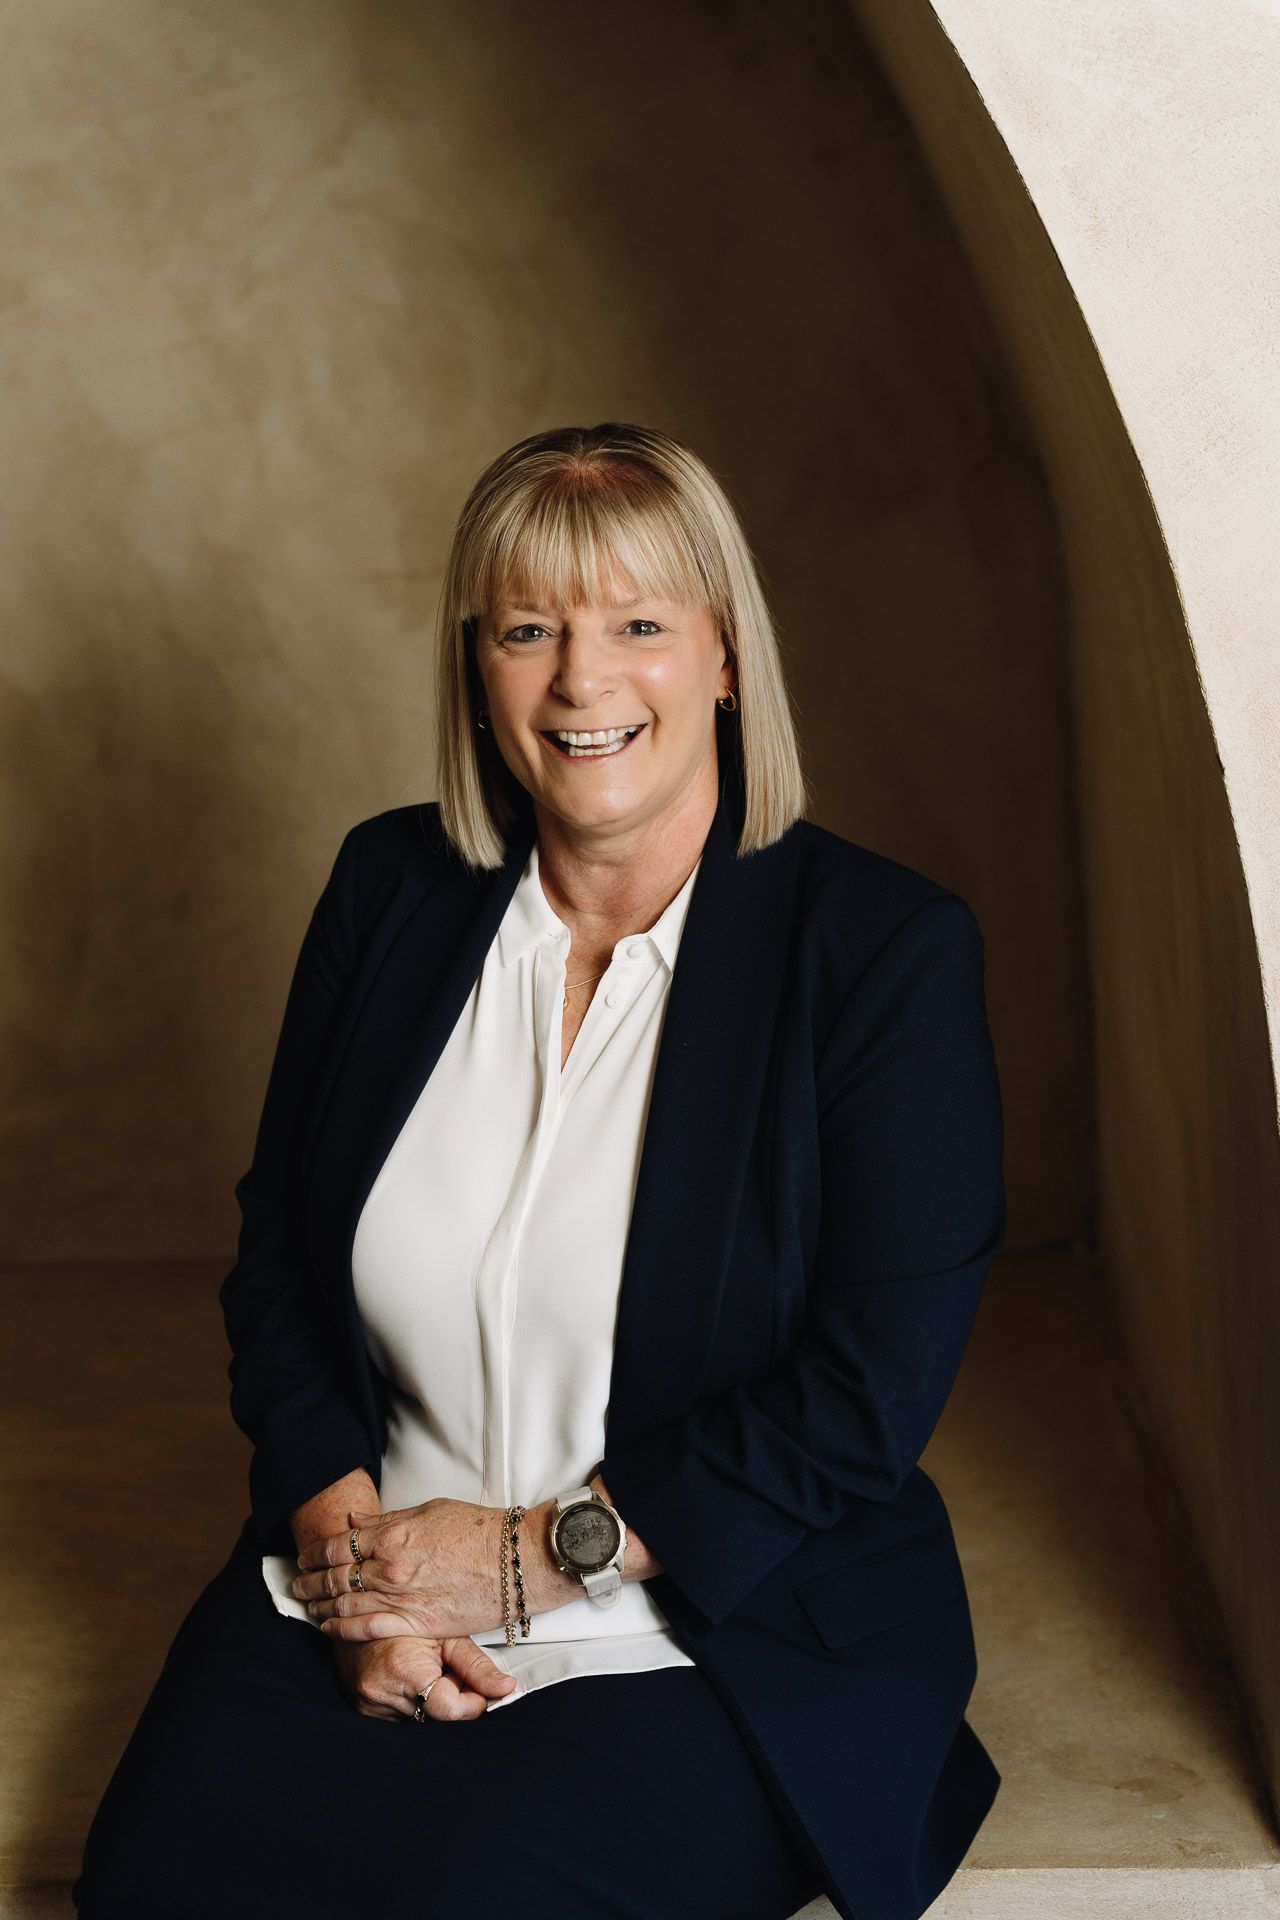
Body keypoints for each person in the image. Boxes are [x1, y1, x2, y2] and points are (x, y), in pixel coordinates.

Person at [72, 422, 1007, 1920]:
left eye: (639, 625)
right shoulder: (389, 892)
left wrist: (519, 1563)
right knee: (155, 1882)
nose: (582, 681)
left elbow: (865, 1396)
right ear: (477, 667)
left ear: (723, 660)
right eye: (529, 631)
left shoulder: (878, 955)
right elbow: (277, 1263)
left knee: (474, 1898)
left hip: (705, 1620)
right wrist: (353, 1566)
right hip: (365, 1574)